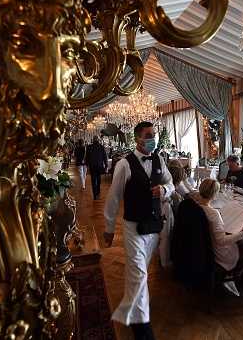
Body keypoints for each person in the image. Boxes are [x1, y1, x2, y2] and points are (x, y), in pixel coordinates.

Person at [103, 121, 174, 340]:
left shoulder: (160, 159)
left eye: (154, 134)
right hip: (133, 227)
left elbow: (171, 183)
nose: (153, 138)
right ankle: (143, 330)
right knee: (140, 274)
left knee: (136, 273)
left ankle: (131, 313)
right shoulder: (125, 164)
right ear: (138, 139)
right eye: (149, 135)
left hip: (153, 227)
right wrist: (108, 227)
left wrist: (164, 190)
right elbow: (114, 197)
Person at [197, 178, 243, 296]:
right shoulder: (213, 213)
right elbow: (221, 241)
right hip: (219, 252)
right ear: (215, 194)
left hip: (204, 248)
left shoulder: (197, 207)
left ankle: (229, 274)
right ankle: (232, 275)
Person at [85, 135, 108, 199]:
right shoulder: (101, 147)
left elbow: (87, 156)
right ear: (98, 140)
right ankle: (98, 190)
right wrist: (106, 165)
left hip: (92, 165)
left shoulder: (90, 147)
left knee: (93, 179)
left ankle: (94, 194)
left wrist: (86, 163)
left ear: (93, 140)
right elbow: (105, 157)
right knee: (99, 178)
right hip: (99, 165)